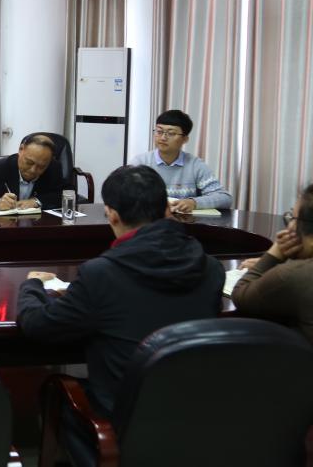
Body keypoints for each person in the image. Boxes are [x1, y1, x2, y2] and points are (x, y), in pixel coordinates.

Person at [16, 165, 225, 420]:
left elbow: (38, 326)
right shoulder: (211, 268)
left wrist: (31, 286)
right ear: (167, 209)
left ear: (112, 215)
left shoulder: (101, 274)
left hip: (123, 418)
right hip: (195, 413)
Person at [232, 184, 313, 344]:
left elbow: (241, 296)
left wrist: (274, 254)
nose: (289, 226)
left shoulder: (295, 275)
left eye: (293, 218)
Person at [129, 109, 232, 212]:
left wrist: (194, 203)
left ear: (185, 139)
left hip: (184, 221)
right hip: (149, 219)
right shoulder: (140, 163)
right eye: (159, 132)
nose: (163, 138)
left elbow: (225, 198)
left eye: (171, 133)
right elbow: (124, 194)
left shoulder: (195, 165)